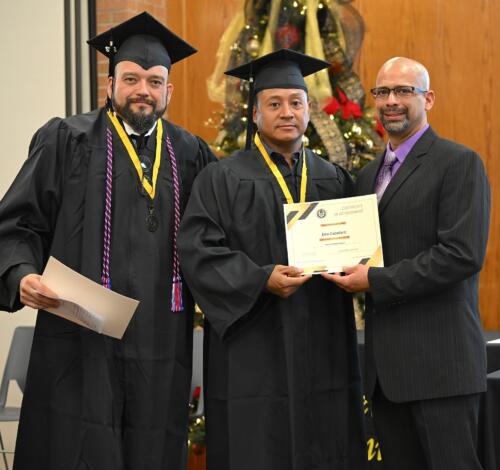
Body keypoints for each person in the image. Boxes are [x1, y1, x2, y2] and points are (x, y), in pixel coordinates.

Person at [0, 11, 216, 470]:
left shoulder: (191, 153)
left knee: (153, 448)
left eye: (155, 81)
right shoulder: (66, 140)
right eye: (132, 78)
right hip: (78, 336)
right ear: (111, 83)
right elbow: (17, 223)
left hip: (161, 338)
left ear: (168, 91)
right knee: (76, 444)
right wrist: (21, 275)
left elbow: (217, 238)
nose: (143, 90)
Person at [178, 49, 366, 470]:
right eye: (274, 104)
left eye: (295, 103)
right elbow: (197, 251)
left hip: (323, 337)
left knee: (328, 437)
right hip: (254, 343)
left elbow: (359, 246)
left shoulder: (333, 178)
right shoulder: (222, 178)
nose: (287, 113)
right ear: (256, 113)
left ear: (308, 109)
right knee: (258, 446)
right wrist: (260, 279)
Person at [323, 57, 490, 470]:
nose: (391, 101)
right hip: (386, 376)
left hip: (441, 368)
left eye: (403, 91)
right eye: (382, 92)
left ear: (428, 98)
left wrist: (375, 281)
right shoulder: (366, 177)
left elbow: (461, 255)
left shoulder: (458, 163)